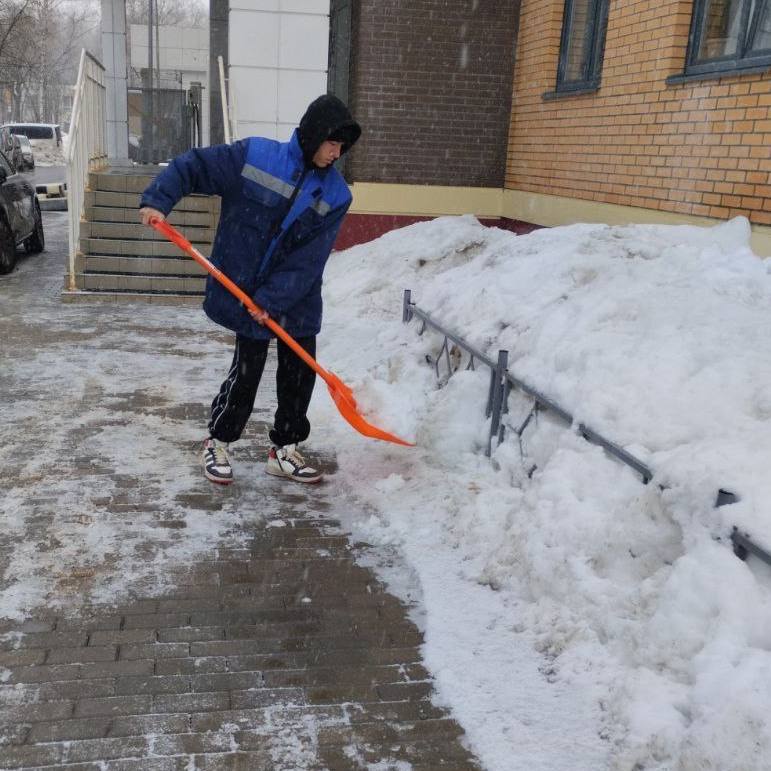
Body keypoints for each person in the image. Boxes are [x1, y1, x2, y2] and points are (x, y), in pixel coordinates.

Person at [139, 94, 361, 486]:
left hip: (296, 295)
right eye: (332, 143)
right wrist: (159, 200)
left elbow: (309, 259)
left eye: (342, 147)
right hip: (247, 289)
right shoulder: (255, 157)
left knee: (298, 374)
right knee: (247, 371)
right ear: (314, 135)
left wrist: (272, 301)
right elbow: (195, 165)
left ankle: (285, 449)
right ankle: (218, 441)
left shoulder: (337, 194)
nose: (336, 153)